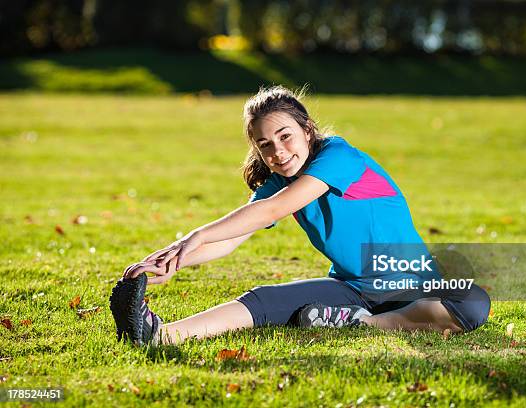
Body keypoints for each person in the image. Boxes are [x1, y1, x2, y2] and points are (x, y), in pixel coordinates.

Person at [109, 85, 490, 346]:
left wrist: (194, 234)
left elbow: (273, 210)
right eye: (265, 145)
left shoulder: (340, 157)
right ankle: (160, 334)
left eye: (286, 136)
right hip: (350, 288)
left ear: (307, 131)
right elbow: (233, 238)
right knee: (262, 300)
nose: (278, 151)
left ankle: (364, 323)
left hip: (414, 288)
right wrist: (172, 261)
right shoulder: (279, 181)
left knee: (471, 301)